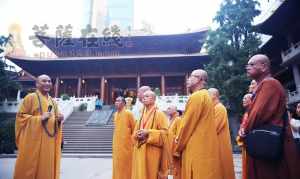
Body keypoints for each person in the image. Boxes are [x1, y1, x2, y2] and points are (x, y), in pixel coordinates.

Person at [243, 54, 291, 179]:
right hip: (263, 142)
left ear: (264, 67)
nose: (248, 67)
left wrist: (245, 129)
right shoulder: (261, 86)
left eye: (252, 64)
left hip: (269, 143)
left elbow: (258, 114)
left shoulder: (270, 84)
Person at [174, 69, 222, 179]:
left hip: (195, 147)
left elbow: (186, 125)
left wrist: (178, 146)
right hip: (204, 145)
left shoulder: (196, 96)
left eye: (192, 76)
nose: (188, 79)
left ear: (200, 79)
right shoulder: (206, 96)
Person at [14, 74, 64, 179]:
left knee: (47, 169)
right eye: (44, 81)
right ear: (37, 84)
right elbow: (20, 117)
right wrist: (39, 118)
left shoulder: (53, 102)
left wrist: (58, 120)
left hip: (49, 143)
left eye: (49, 81)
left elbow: (54, 120)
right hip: (34, 142)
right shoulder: (31, 97)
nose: (47, 83)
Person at [131, 90, 169, 179]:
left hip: (152, 152)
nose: (144, 98)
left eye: (147, 96)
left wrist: (148, 133)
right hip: (140, 150)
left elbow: (166, 134)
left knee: (151, 174)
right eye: (143, 97)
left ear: (153, 99)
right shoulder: (141, 115)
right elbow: (134, 133)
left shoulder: (159, 114)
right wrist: (137, 134)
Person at [208, 88, 235, 179]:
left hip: (220, 143)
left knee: (222, 167)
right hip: (215, 143)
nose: (207, 97)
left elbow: (214, 127)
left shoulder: (219, 108)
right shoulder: (213, 108)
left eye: (208, 94)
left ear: (214, 96)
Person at [112, 96, 135, 179]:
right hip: (117, 147)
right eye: (116, 101)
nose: (116, 102)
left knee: (126, 167)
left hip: (127, 147)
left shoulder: (128, 113)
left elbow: (135, 128)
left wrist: (131, 142)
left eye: (118, 101)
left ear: (124, 103)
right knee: (117, 166)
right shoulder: (115, 115)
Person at [237, 93, 253, 179]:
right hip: (245, 142)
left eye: (245, 98)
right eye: (243, 98)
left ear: (251, 100)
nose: (243, 100)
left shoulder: (253, 112)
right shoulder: (246, 113)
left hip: (251, 142)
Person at [166, 105, 182, 179]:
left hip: (174, 149)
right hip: (168, 148)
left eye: (169, 108)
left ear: (175, 110)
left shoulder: (178, 119)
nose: (167, 109)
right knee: (169, 168)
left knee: (175, 168)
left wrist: (177, 150)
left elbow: (179, 135)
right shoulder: (169, 120)